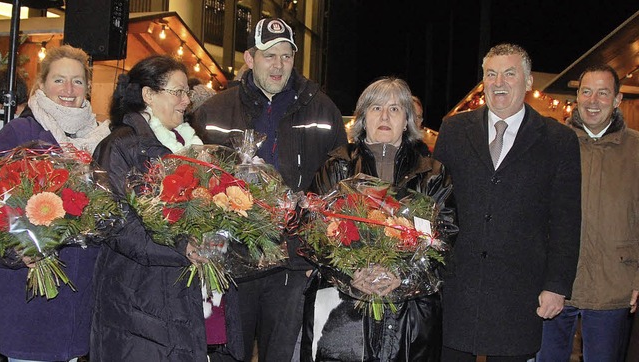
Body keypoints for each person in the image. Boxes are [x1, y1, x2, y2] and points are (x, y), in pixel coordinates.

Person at [192, 17, 348, 361]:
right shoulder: (214, 110)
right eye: (269, 55)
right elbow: (195, 182)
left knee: (283, 354)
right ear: (249, 58)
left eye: (286, 56)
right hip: (233, 261)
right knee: (228, 351)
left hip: (293, 264)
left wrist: (316, 252)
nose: (279, 65)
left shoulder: (323, 110)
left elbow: (337, 188)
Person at [432, 43, 582, 361]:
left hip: (519, 294)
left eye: (509, 74)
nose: (499, 82)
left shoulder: (559, 141)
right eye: (491, 74)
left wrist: (557, 284)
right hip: (458, 288)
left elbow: (566, 220)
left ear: (528, 82)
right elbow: (434, 204)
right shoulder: (454, 129)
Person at [301, 77, 453, 361]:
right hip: (342, 310)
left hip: (410, 314)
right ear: (362, 118)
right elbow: (312, 229)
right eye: (376, 108)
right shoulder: (337, 166)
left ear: (407, 120)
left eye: (395, 109)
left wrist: (403, 275)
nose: (385, 116)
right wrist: (351, 274)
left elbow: (445, 237)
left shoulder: (432, 173)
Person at [90, 55, 208, 361]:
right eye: (178, 92)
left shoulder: (190, 147)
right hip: (136, 300)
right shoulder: (119, 146)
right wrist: (182, 248)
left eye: (187, 94)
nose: (186, 101)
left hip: (181, 296)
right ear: (148, 95)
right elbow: (115, 224)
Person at [0, 45, 110, 362]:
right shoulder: (20, 133)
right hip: (30, 297)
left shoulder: (101, 138)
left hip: (81, 297)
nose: (69, 89)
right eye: (59, 80)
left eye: (77, 81)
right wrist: (15, 250)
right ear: (41, 84)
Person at [536, 64, 639, 362]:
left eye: (603, 93)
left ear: (618, 99)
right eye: (587, 92)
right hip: (556, 285)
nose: (593, 101)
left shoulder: (635, 149)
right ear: (577, 96)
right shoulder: (553, 143)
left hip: (613, 284)